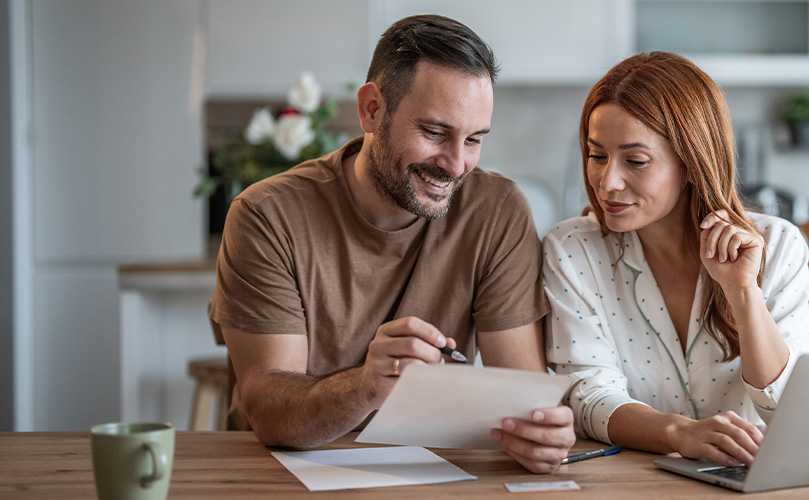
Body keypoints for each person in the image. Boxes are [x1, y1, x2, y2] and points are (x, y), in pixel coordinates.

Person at [208, 15, 574, 474]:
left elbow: (520, 390)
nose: (457, 165)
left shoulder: (497, 211)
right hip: (282, 473)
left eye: (475, 140)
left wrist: (538, 432)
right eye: (435, 133)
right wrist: (366, 386)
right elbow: (269, 413)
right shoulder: (267, 215)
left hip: (435, 469)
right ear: (372, 110)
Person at [543, 52, 809, 468]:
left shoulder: (777, 245)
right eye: (597, 156)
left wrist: (742, 293)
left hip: (751, 480)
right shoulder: (572, 249)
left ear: (691, 162)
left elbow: (788, 409)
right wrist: (680, 433)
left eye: (635, 161)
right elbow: (587, 397)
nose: (607, 182)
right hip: (631, 483)